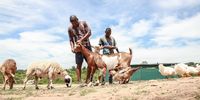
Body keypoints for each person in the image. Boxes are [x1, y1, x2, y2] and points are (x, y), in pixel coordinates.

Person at [68, 15, 92, 83]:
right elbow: (71, 39)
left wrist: (81, 40)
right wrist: (72, 47)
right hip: (78, 48)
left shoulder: (83, 23)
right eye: (72, 22)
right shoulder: (70, 28)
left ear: (77, 19)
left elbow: (89, 33)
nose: (74, 23)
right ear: (70, 22)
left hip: (87, 46)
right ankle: (79, 81)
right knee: (79, 64)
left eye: (75, 21)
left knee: (90, 63)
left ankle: (88, 80)